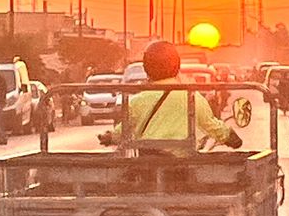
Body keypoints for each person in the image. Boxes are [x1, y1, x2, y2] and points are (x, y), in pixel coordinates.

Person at [99, 41, 242, 154]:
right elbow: (211, 126)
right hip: (182, 171)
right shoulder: (192, 98)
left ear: (146, 68)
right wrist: (229, 136)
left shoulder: (136, 101)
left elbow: (122, 131)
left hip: (147, 170)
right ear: (177, 65)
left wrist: (110, 137)